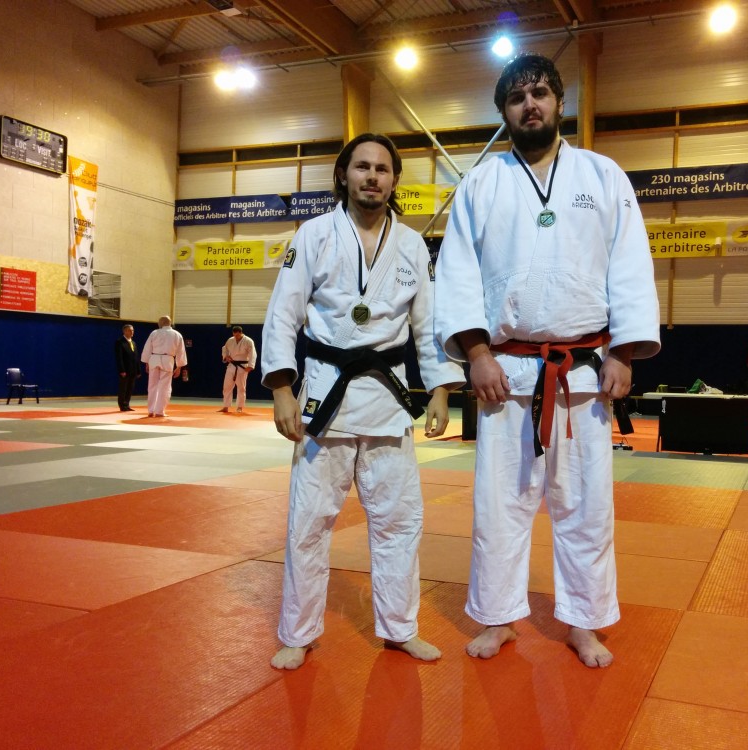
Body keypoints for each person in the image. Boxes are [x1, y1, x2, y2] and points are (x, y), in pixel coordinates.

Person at [433, 53, 661, 668]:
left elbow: (630, 266)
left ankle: (584, 623)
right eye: (515, 97)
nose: (528, 104)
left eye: (539, 93)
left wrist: (625, 351)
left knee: (586, 508)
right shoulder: (481, 182)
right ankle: (499, 618)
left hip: (583, 373)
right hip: (504, 377)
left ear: (560, 101)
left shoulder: (602, 174)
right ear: (503, 112)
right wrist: (475, 352)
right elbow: (455, 273)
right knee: (499, 507)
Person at [261, 133, 465, 670]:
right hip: (325, 395)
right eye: (362, 167)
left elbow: (429, 325)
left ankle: (399, 629)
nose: (372, 176)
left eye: (382, 169)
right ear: (344, 175)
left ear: (394, 180)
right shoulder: (313, 235)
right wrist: (282, 387)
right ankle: (299, 632)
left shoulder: (414, 246)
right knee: (308, 523)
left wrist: (441, 387)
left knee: (399, 523)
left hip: (387, 399)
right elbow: (283, 314)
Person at [141, 315, 188, 418]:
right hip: (168, 360)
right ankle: (159, 411)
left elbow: (147, 348)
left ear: (161, 323)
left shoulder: (154, 333)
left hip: (154, 358)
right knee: (164, 387)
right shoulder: (177, 334)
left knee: (152, 386)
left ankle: (151, 410)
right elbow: (181, 352)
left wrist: (147, 362)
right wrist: (179, 366)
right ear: (169, 323)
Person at [220, 325, 256, 413]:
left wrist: (250, 366)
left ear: (241, 333)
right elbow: (225, 348)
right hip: (232, 365)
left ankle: (240, 407)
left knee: (241, 387)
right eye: (234, 334)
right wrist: (226, 356)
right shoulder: (230, 340)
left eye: (237, 335)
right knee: (227, 386)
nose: (236, 336)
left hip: (242, 366)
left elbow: (253, 353)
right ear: (233, 333)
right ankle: (226, 406)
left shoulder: (248, 341)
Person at [114, 323, 140, 411]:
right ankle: (122, 405)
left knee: (130, 388)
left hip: (133, 370)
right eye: (130, 330)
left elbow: (136, 357)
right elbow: (119, 357)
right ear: (124, 331)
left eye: (133, 330)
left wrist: (138, 370)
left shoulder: (133, 343)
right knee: (123, 388)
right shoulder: (120, 342)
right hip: (125, 370)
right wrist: (122, 370)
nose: (132, 332)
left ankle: (127, 404)